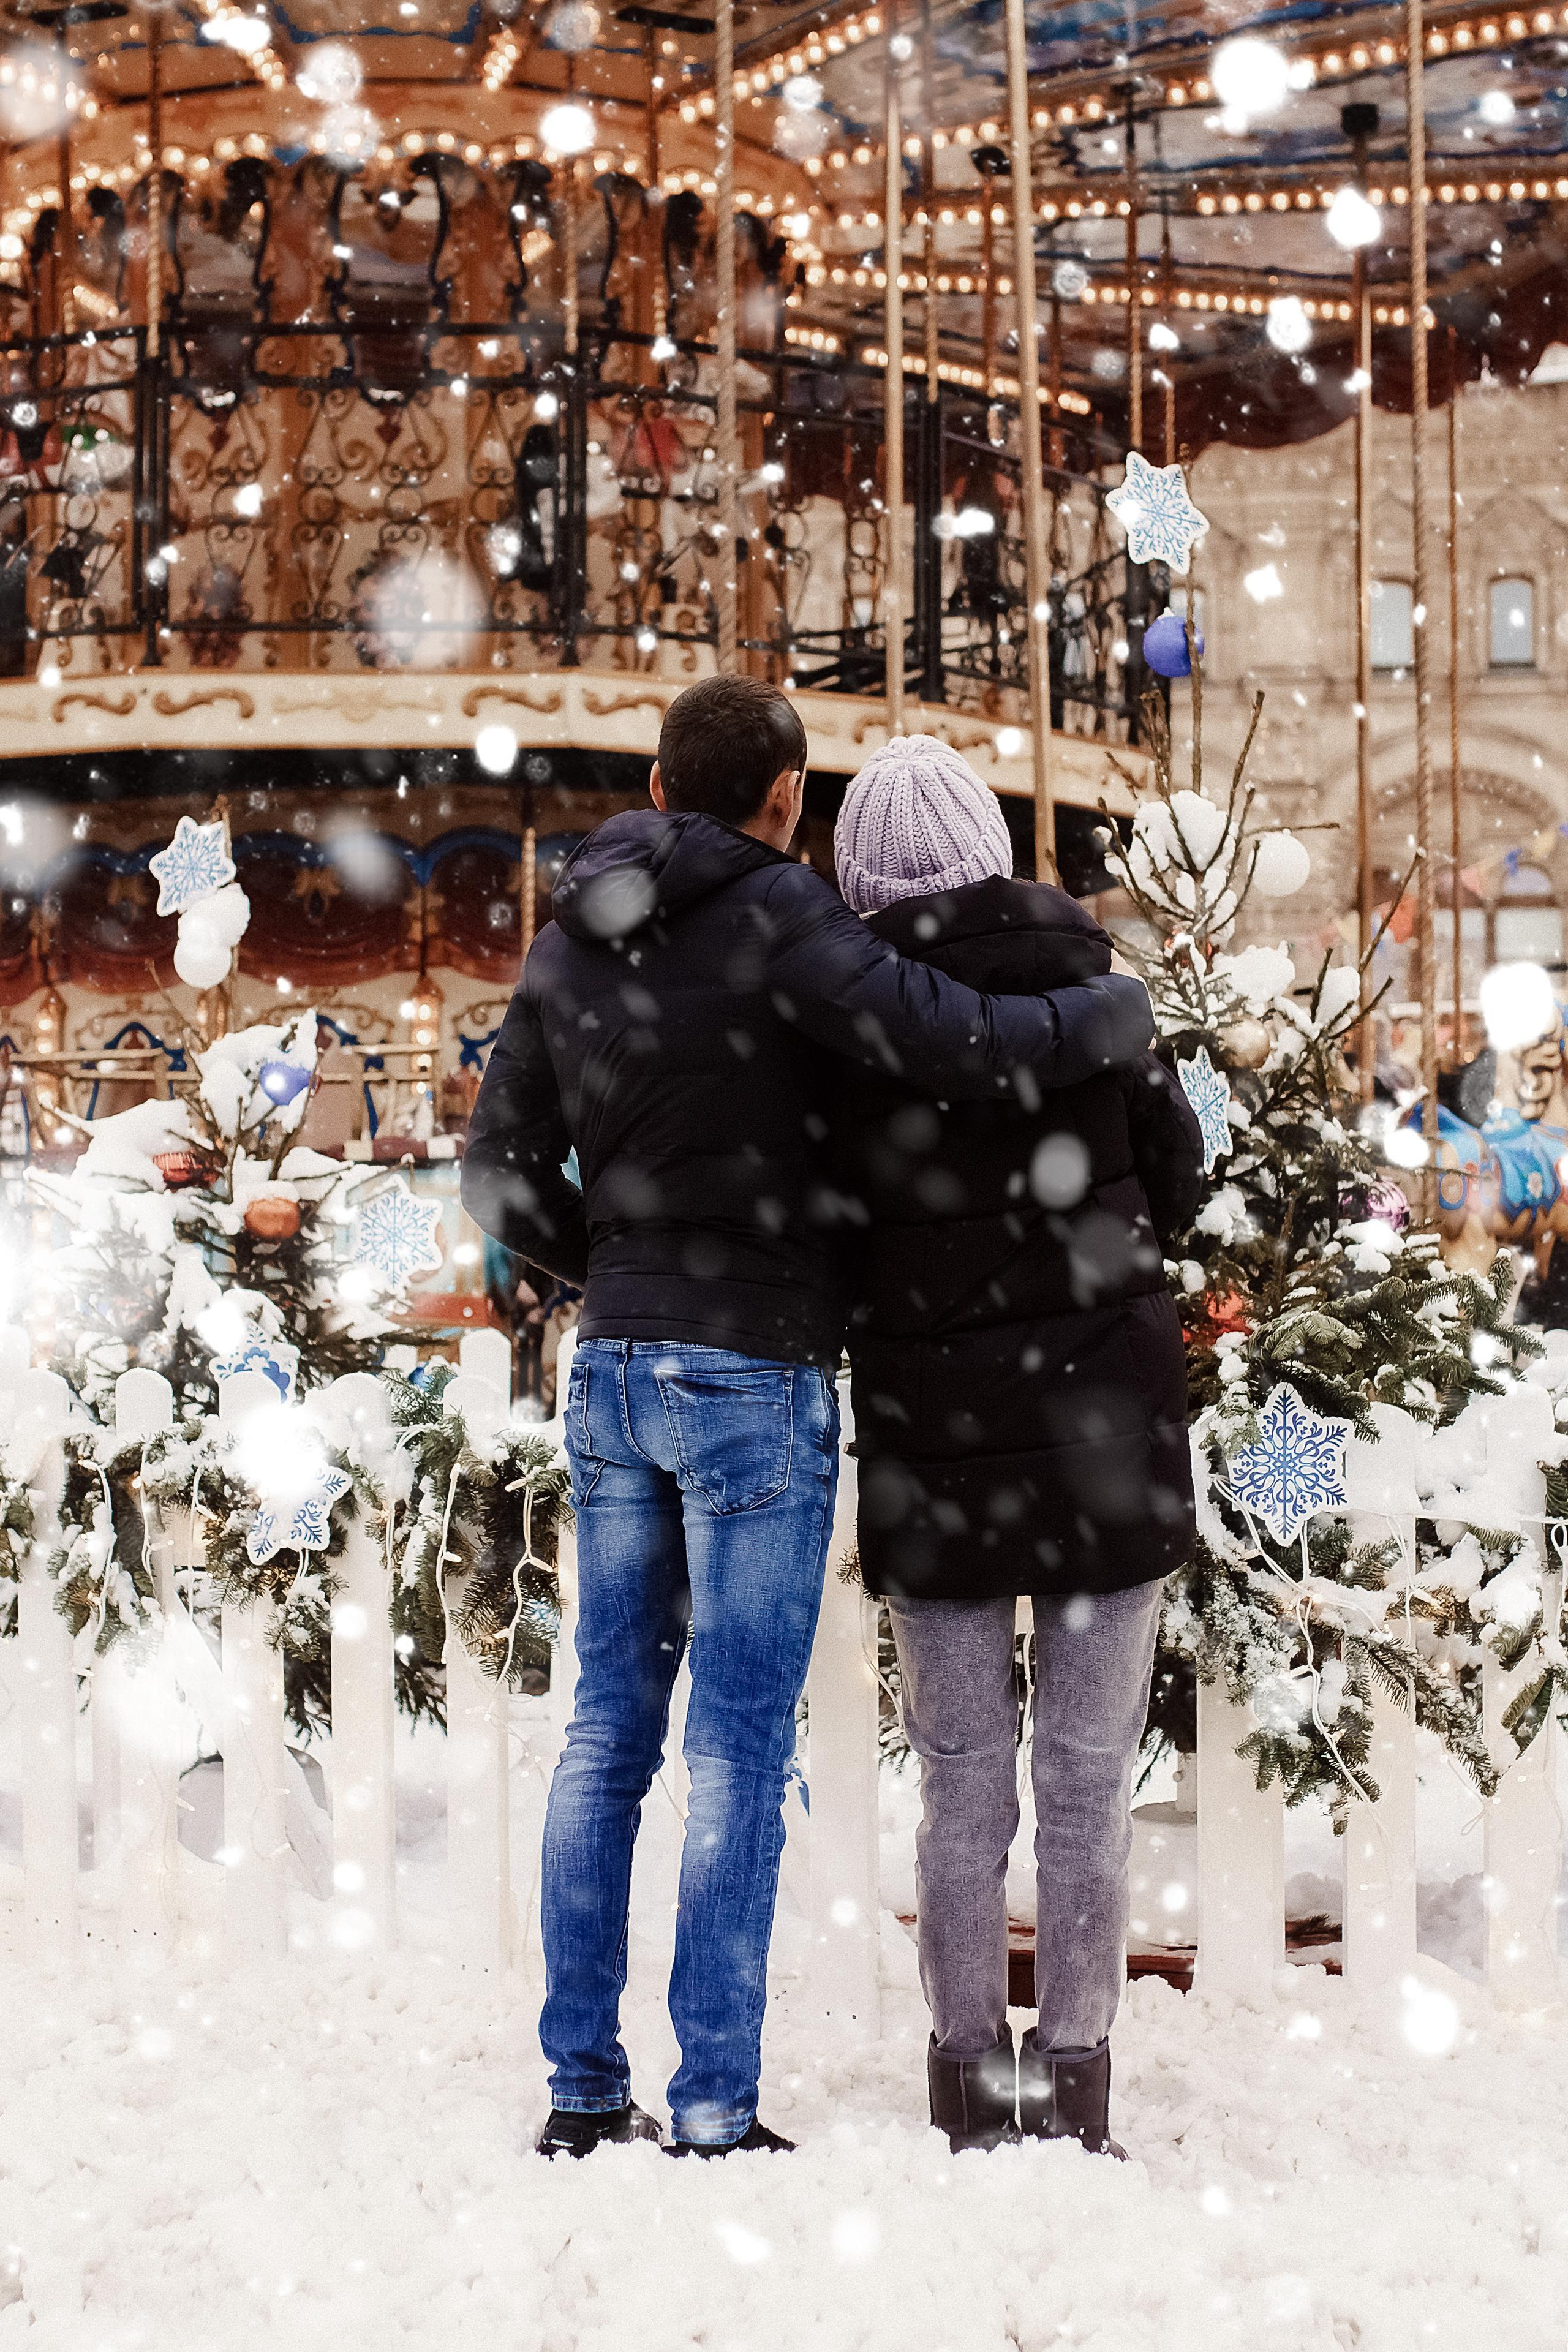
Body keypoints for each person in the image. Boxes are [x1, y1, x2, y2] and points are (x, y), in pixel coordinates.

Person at [461, 677, 1156, 2160]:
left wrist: (622, 1269)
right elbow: (951, 1038)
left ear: (655, 777)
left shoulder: (571, 927)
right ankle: (711, 2098)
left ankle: (583, 2088)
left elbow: (499, 1170)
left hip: (613, 1366)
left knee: (601, 1734)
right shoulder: (785, 913)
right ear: (784, 801)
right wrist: (1101, 1008)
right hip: (750, 1366)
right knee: (730, 1748)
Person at [828, 733, 1203, 2160]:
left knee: (962, 1772)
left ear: (862, 885)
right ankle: (1080, 2065)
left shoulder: (853, 1042)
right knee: (1087, 1774)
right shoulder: (1105, 1005)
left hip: (942, 1443)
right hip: (1105, 1427)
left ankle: (968, 2072)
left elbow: (837, 1240)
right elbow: (1171, 1177)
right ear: (991, 852)